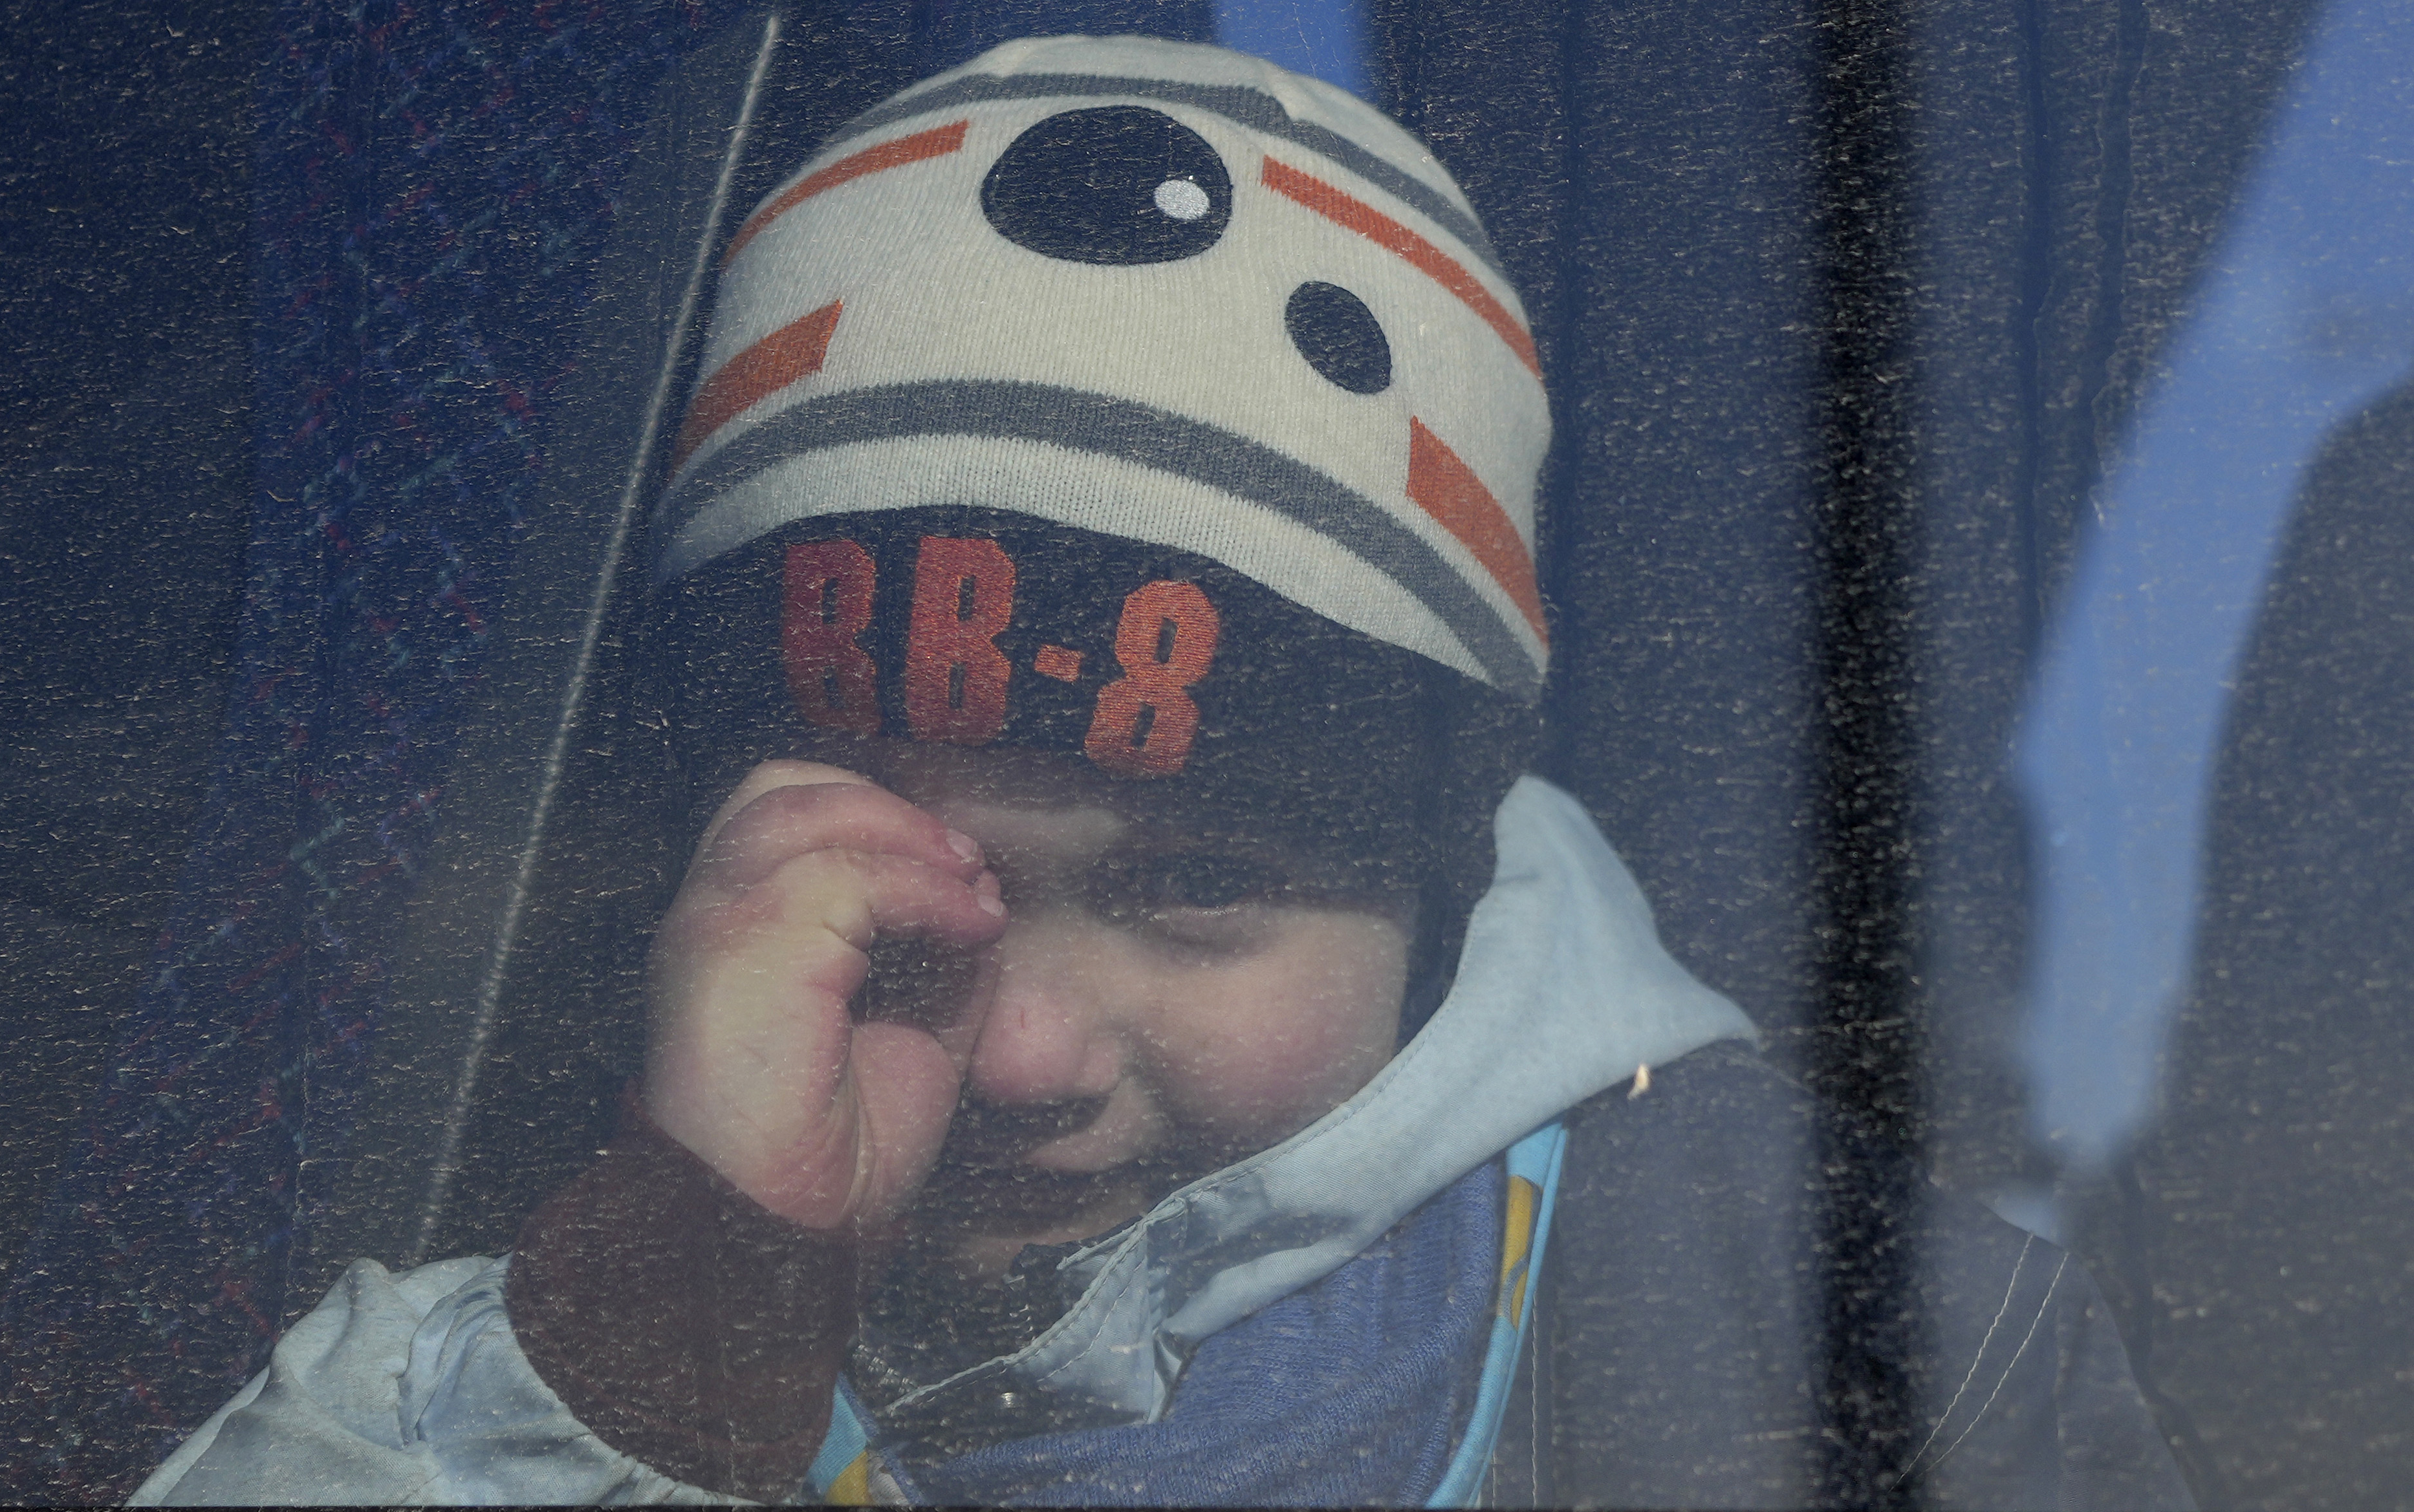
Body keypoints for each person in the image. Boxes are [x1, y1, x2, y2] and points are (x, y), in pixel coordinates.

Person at [131, 35, 2191, 1507]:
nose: (1021, 1052)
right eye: (894, 875)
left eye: (1198, 880)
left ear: (1444, 856)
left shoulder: (1840, 1327)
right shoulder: (579, 1203)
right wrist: (649, 1349)